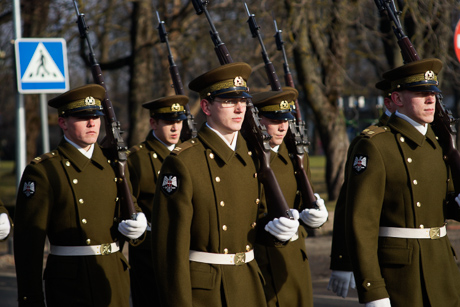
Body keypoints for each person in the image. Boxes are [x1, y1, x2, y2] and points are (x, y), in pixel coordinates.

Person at [151, 62, 299, 307]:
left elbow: (254, 222)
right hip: (206, 293)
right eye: (229, 101)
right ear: (207, 106)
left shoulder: (254, 158)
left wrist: (277, 228)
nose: (239, 108)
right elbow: (169, 249)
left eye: (243, 100)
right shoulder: (184, 162)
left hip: (249, 284)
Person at [14, 84, 147, 307]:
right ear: (63, 122)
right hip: (71, 283)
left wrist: (139, 222)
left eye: (96, 116)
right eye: (82, 117)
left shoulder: (113, 163)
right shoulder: (44, 170)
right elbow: (29, 244)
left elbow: (129, 204)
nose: (92, 123)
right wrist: (31, 299)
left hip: (113, 275)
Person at [345, 58, 460, 306]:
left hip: (443, 268)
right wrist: (373, 289)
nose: (431, 100)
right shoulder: (376, 145)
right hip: (402, 277)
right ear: (397, 99)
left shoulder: (439, 143)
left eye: (433, 93)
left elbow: (444, 203)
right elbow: (361, 223)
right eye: (420, 93)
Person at [251, 88, 328, 306]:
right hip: (264, 261)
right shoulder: (249, 157)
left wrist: (314, 214)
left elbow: (304, 199)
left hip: (295, 260)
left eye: (286, 119)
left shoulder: (295, 155)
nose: (283, 126)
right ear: (258, 120)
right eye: (275, 120)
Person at [328, 80, 396, 298]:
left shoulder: (433, 141)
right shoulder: (370, 142)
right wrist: (343, 260)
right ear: (392, 101)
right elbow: (351, 206)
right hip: (387, 257)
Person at [127, 95, 188, 306]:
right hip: (150, 251)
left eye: (178, 121)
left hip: (188, 245)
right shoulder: (136, 158)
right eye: (169, 121)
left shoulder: (191, 153)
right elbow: (128, 202)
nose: (175, 127)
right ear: (154, 122)